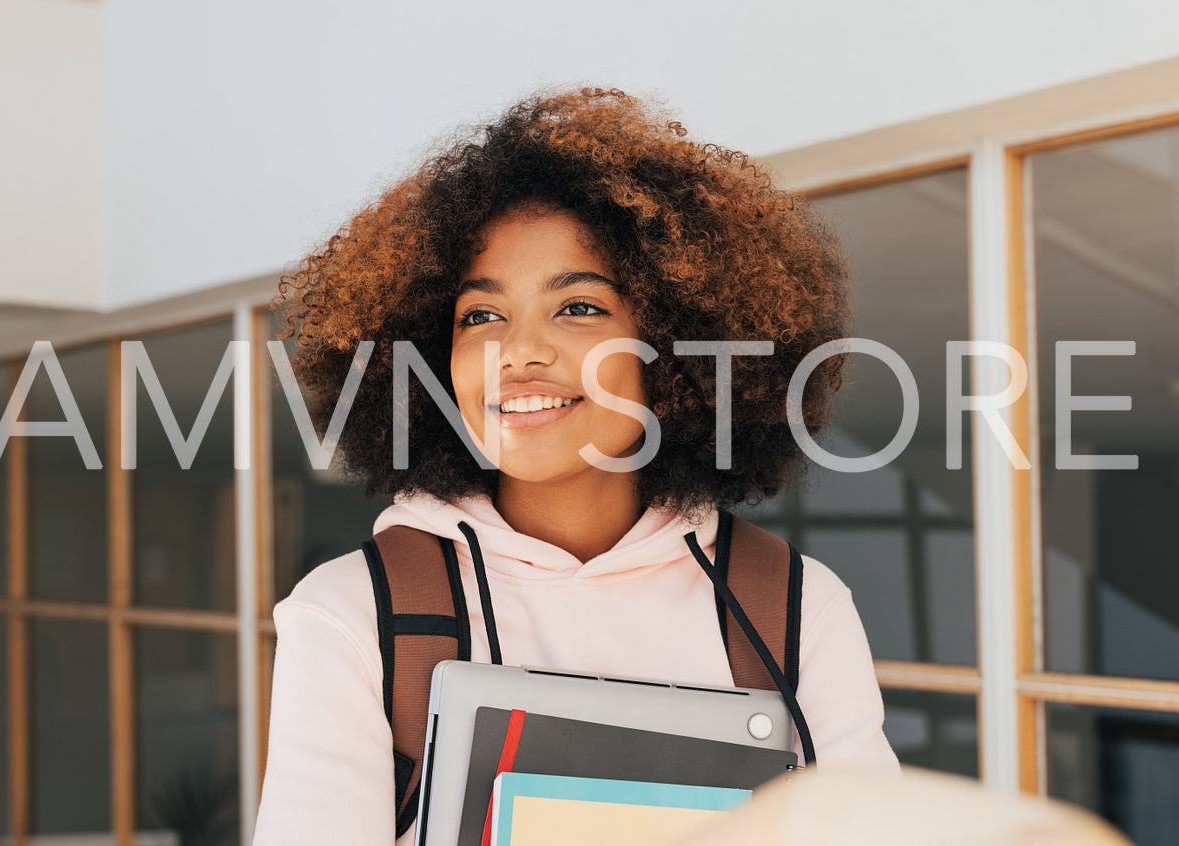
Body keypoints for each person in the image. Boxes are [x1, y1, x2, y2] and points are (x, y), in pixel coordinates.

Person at [253, 87, 899, 846]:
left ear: (675, 351)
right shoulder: (355, 614)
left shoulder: (791, 609)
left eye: (579, 307)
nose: (517, 352)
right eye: (480, 316)